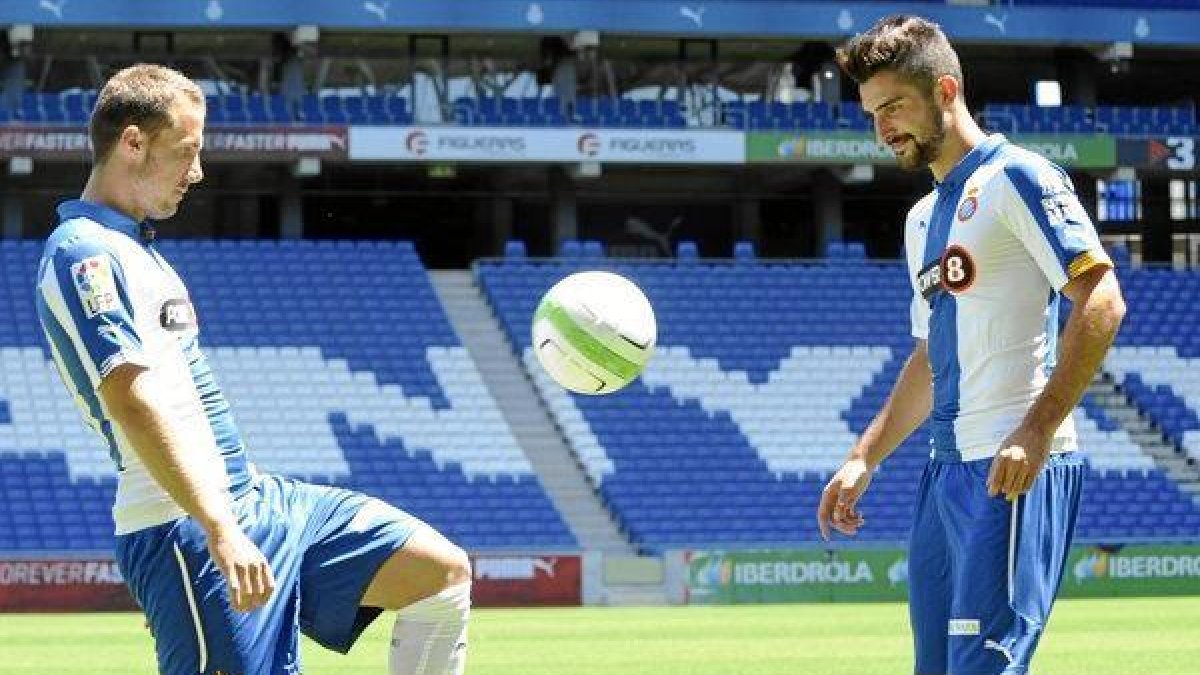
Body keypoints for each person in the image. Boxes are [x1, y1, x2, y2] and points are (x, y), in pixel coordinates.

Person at [35, 64, 471, 675]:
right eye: (187, 151)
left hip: (260, 499)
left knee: (440, 574)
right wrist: (216, 529)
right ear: (132, 143)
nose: (198, 171)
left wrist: (232, 514)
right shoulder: (85, 253)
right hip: (184, 522)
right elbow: (132, 400)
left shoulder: (138, 250)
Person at [815, 15, 1126, 675]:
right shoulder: (920, 219)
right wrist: (863, 456)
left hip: (1009, 468)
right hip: (942, 473)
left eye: (894, 106)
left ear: (946, 91)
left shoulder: (1018, 177)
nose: (883, 128)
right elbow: (931, 353)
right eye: (873, 113)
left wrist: (1038, 427)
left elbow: (1101, 296)